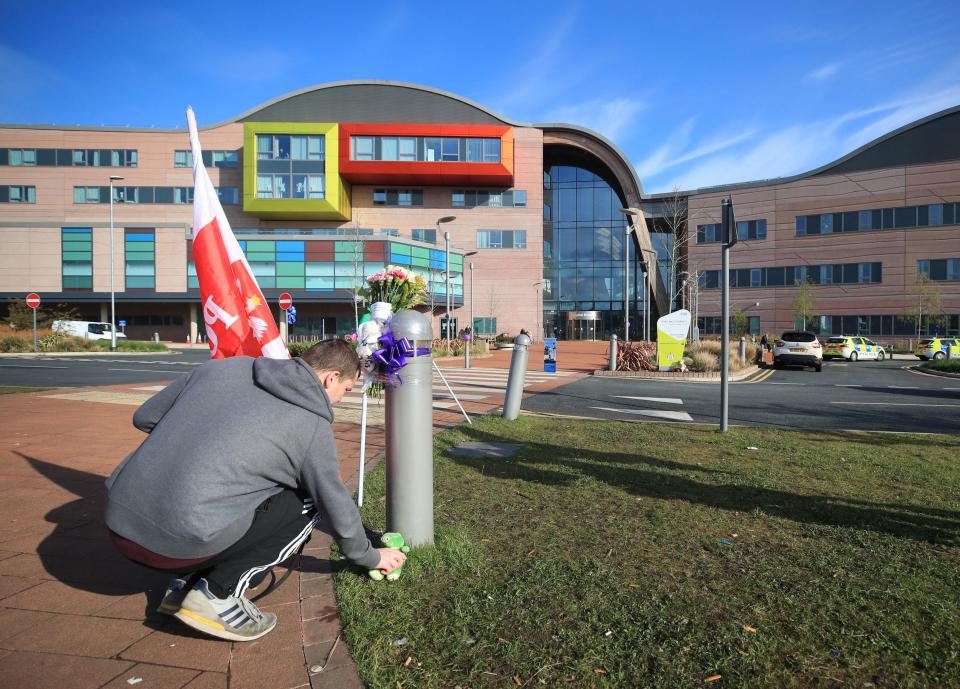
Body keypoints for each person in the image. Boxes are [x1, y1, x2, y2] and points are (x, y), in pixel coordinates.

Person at [104, 339, 406, 642]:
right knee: (307, 502)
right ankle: (216, 594)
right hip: (176, 546)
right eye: (347, 389)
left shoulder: (222, 368)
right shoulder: (311, 424)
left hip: (118, 522)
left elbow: (144, 417)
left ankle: (184, 584)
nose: (340, 400)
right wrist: (369, 557)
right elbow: (332, 502)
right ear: (331, 379)